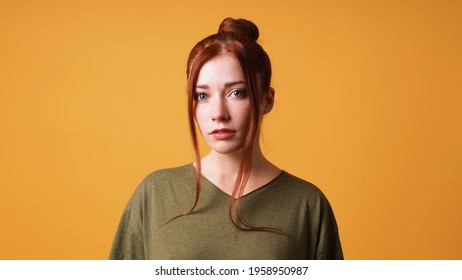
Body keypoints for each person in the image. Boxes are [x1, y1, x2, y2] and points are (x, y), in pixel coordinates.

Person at [109, 18, 343, 260]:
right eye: (202, 95)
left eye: (237, 93)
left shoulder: (307, 204)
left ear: (267, 100)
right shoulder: (156, 194)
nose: (218, 113)